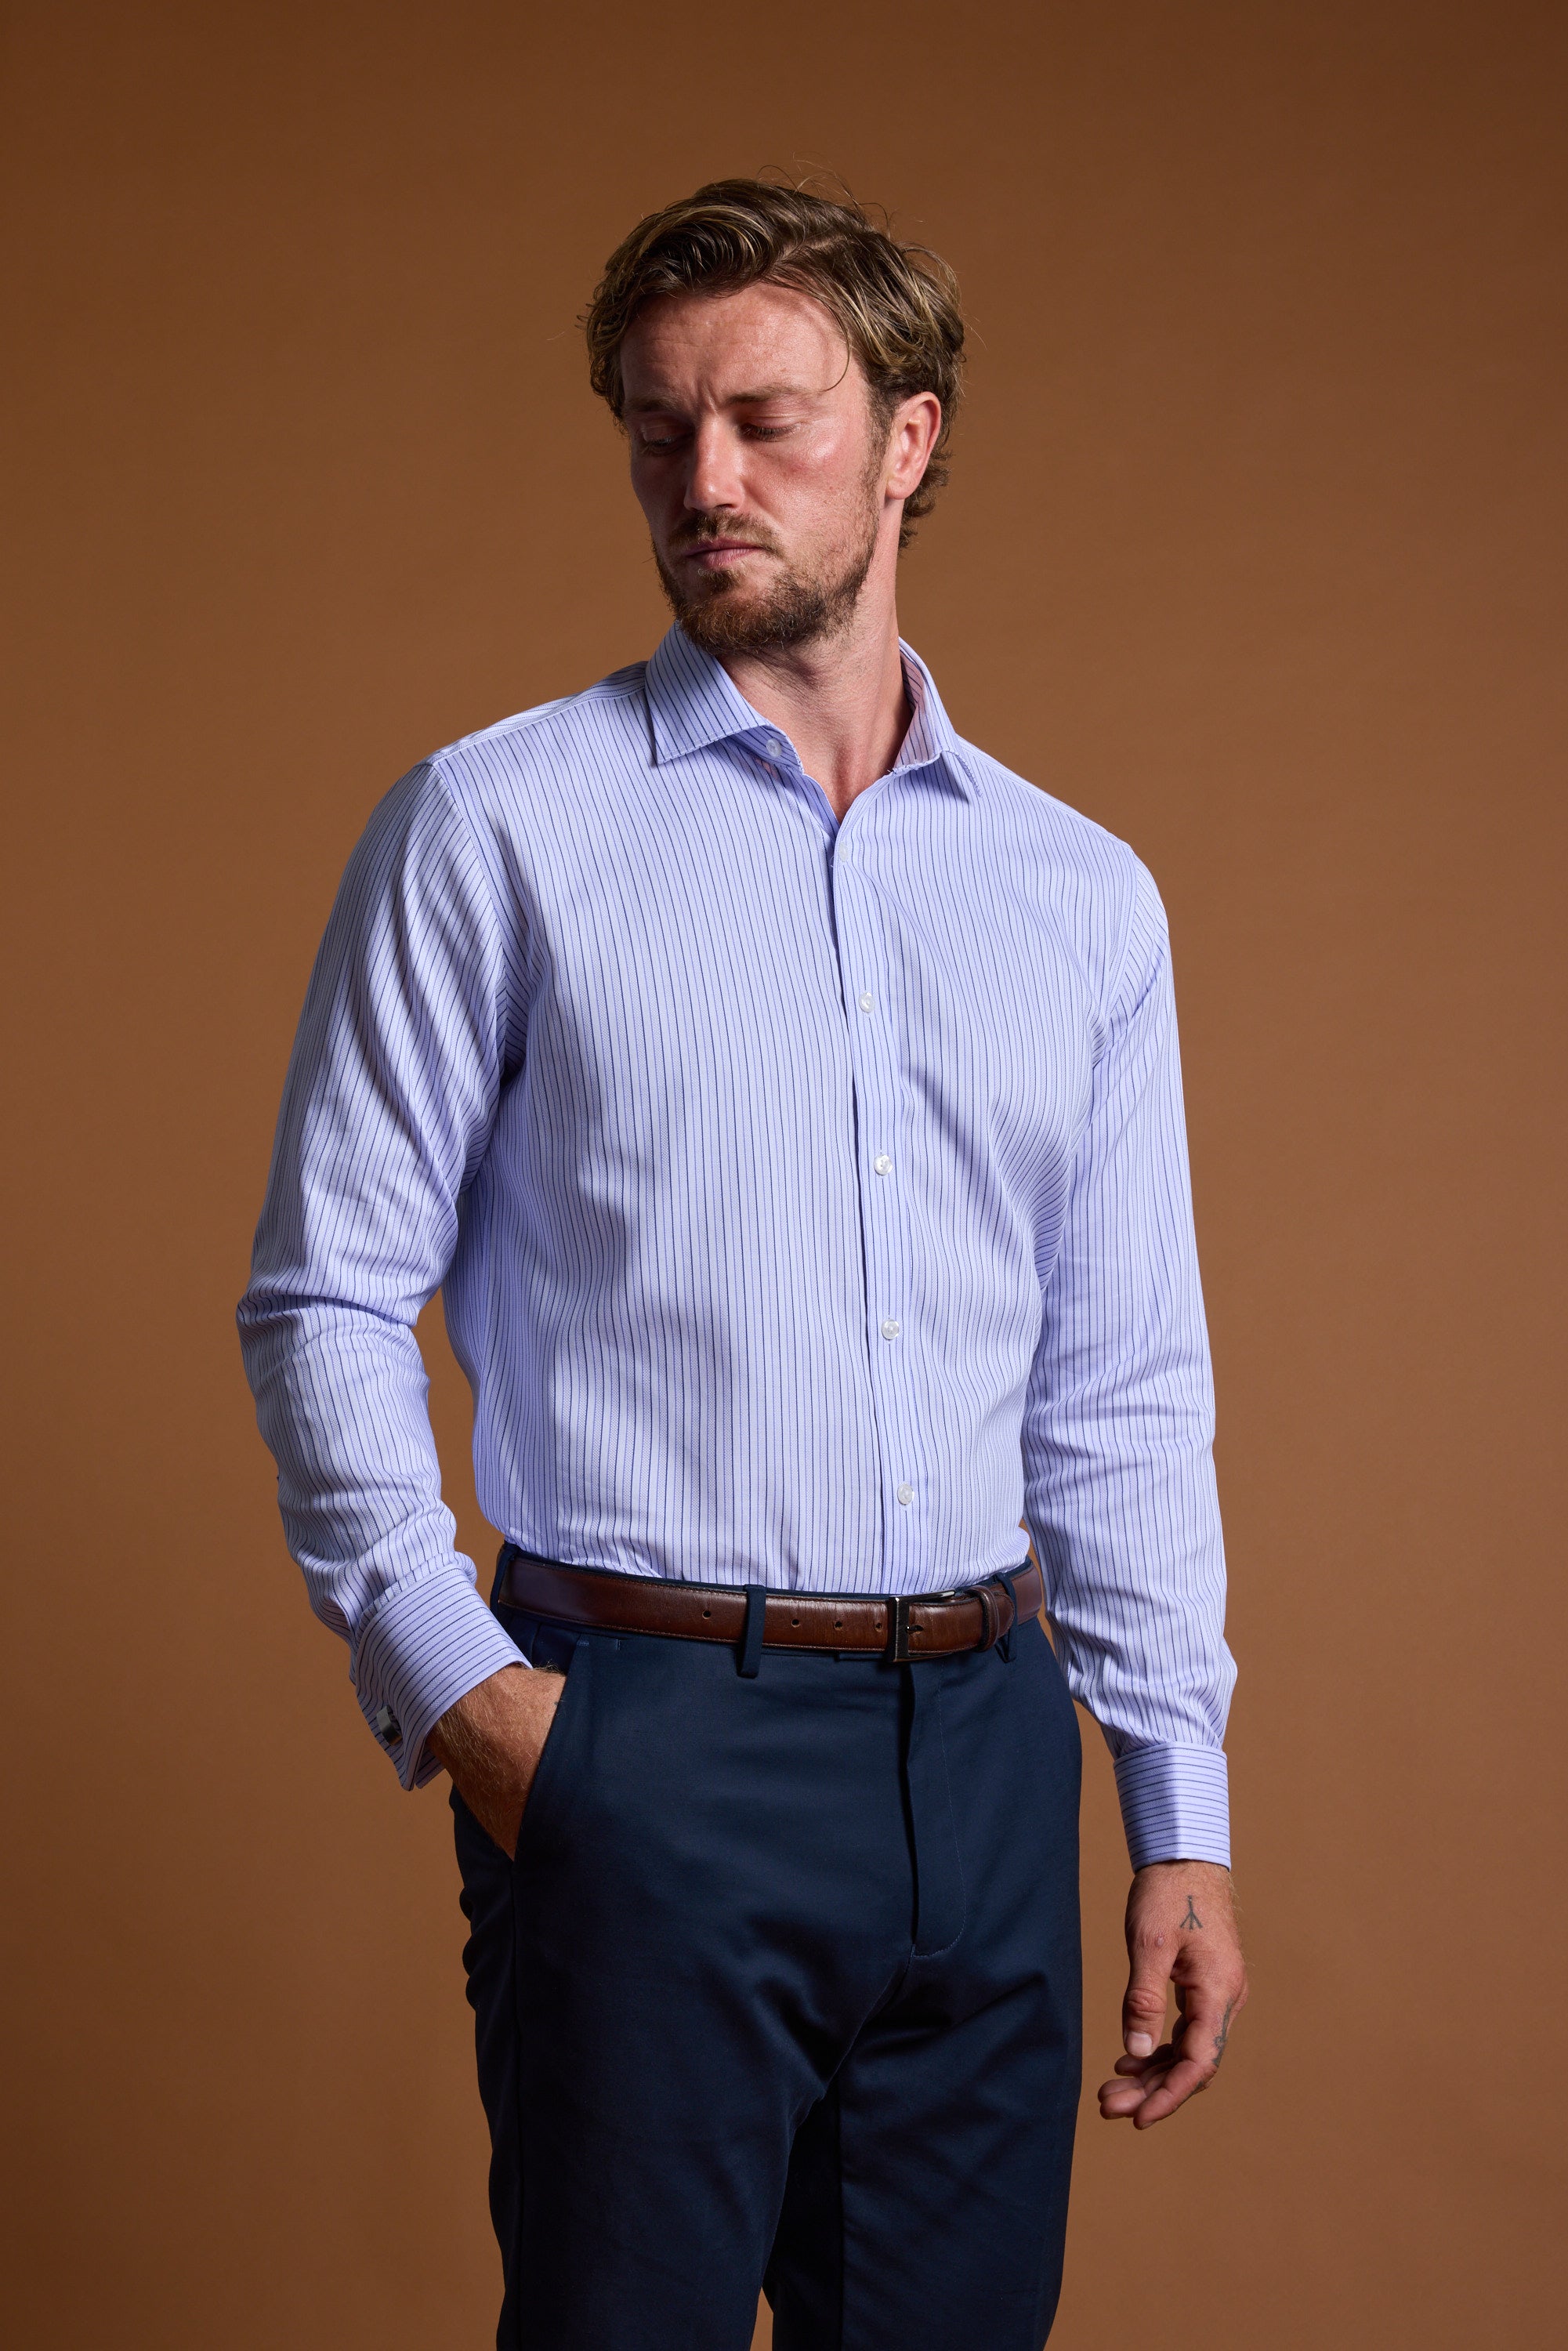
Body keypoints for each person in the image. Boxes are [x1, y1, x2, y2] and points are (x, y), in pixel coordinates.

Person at [238, 177, 1247, 2351]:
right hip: (637, 1725)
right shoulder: (496, 825)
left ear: (907, 438)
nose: (701, 482)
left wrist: (1176, 1811)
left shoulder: (1079, 897)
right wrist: (478, 1707)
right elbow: (325, 1293)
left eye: (763, 420)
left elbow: (1120, 1381)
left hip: (987, 1756)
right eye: (653, 429)